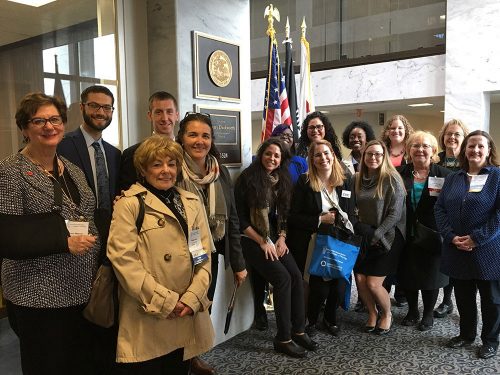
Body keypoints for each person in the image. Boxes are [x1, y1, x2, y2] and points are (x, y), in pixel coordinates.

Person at [0, 92, 99, 374]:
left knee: (76, 364)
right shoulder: (9, 172)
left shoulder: (74, 171)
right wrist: (63, 243)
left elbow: (87, 214)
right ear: (24, 128)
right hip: (37, 294)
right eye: (39, 120)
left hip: (81, 288)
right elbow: (6, 236)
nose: (49, 126)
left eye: (54, 119)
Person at [107, 135, 214, 374]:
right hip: (149, 312)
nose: (166, 170)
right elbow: (123, 261)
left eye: (171, 164)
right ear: (143, 170)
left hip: (185, 310)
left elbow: (202, 255)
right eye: (157, 164)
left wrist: (192, 297)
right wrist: (165, 301)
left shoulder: (191, 202)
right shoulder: (129, 204)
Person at [176, 112, 247, 375]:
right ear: (181, 138)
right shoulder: (171, 168)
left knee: (202, 305)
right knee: (181, 308)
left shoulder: (221, 172)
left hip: (209, 254)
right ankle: (178, 362)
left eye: (205, 135)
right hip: (179, 255)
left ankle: (193, 358)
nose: (199, 141)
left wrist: (238, 264)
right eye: (192, 134)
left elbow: (233, 220)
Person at [57, 84, 121, 373]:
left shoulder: (114, 153)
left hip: (109, 240)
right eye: (95, 106)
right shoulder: (62, 145)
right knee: (78, 311)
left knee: (104, 303)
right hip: (74, 240)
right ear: (81, 108)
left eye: (107, 107)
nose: (101, 112)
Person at [234, 138, 317, 358]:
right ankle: (283, 338)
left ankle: (298, 330)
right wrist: (262, 241)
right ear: (261, 154)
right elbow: (240, 220)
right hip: (252, 239)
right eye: (268, 153)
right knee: (282, 278)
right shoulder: (248, 179)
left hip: (275, 239)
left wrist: (281, 238)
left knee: (297, 277)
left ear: (282, 160)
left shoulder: (283, 180)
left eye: (277, 155)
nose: (272, 158)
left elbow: (284, 215)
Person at [435, 130, 500, 360]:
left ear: (489, 150)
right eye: (471, 146)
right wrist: (450, 236)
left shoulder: (497, 176)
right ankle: (466, 334)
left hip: (488, 250)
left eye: (481, 146)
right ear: (465, 150)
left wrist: (477, 238)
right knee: (463, 296)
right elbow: (440, 208)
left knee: (491, 300)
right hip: (456, 249)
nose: (475, 150)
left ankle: (490, 341)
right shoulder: (454, 177)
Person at [288, 140, 357, 336]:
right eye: (317, 155)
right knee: (319, 286)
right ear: (312, 159)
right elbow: (293, 216)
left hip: (341, 240)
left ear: (333, 155)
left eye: (326, 153)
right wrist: (319, 220)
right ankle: (311, 321)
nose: (323, 158)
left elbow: (351, 211)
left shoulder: (346, 179)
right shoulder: (305, 181)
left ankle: (330, 319)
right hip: (316, 242)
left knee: (339, 284)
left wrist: (347, 231)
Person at [397, 131, 451, 331]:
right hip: (405, 232)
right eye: (415, 145)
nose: (420, 149)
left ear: (434, 150)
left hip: (433, 234)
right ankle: (412, 311)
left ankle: (428, 313)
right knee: (408, 274)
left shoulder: (445, 175)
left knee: (431, 275)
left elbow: (450, 207)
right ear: (409, 150)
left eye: (425, 146)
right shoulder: (398, 173)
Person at [353, 140, 406, 335]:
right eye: (369, 154)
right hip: (365, 235)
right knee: (359, 279)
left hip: (388, 236)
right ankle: (372, 313)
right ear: (363, 156)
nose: (373, 157)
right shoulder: (357, 178)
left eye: (378, 154)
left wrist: (377, 234)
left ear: (384, 157)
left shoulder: (392, 178)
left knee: (373, 284)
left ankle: (386, 314)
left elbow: (395, 214)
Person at [433, 119, 469, 319]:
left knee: (454, 260)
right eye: (449, 134)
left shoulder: (467, 162)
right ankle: (441, 299)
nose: (452, 138)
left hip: (459, 219)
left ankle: (448, 300)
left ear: (464, 138)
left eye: (457, 134)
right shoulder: (435, 160)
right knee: (439, 260)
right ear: (443, 137)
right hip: (437, 216)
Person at [380, 114, 414, 306]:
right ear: (387, 131)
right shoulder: (382, 150)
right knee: (387, 248)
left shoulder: (411, 150)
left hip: (406, 206)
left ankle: (401, 293)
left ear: (406, 130)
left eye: (400, 128)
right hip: (384, 205)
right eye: (392, 128)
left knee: (403, 251)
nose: (396, 131)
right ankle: (383, 290)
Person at [120, 91, 180, 191]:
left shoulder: (186, 151)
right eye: (158, 112)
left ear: (177, 115)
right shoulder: (132, 153)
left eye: (169, 112)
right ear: (150, 115)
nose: (165, 118)